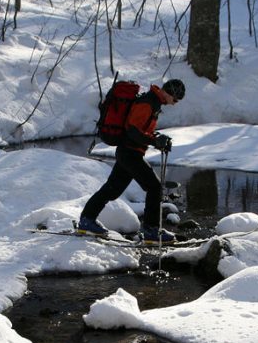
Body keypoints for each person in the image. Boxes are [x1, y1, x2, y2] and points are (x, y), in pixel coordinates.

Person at [77, 79, 186, 243]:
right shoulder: (148, 103)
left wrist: (157, 138)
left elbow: (141, 129)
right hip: (129, 153)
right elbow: (132, 130)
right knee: (154, 187)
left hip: (128, 152)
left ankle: (86, 220)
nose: (175, 104)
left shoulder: (153, 102)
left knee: (112, 189)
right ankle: (151, 231)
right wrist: (154, 141)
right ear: (168, 92)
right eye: (175, 99)